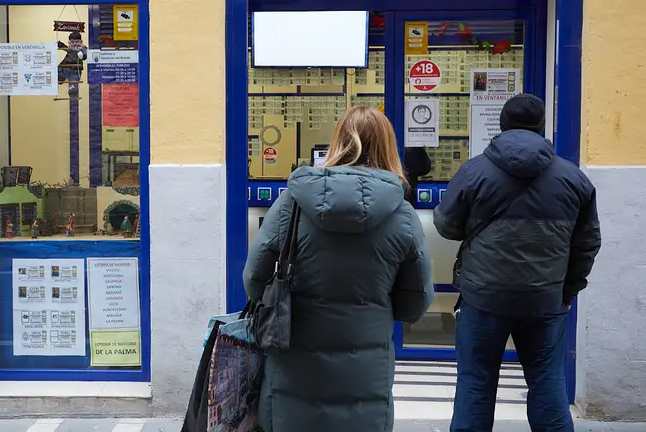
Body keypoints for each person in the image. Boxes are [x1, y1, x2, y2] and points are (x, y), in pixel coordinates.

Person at [244, 105, 435, 432]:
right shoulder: (402, 214)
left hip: (293, 357)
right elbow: (416, 301)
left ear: (337, 143)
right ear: (389, 148)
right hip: (366, 368)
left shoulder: (291, 204)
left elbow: (254, 278)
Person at [433, 94, 601, 432]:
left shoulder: (474, 171)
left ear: (503, 125)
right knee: (547, 382)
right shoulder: (573, 178)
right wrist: (567, 291)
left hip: (483, 297)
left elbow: (446, 226)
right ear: (541, 128)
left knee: (475, 384)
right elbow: (587, 243)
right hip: (546, 299)